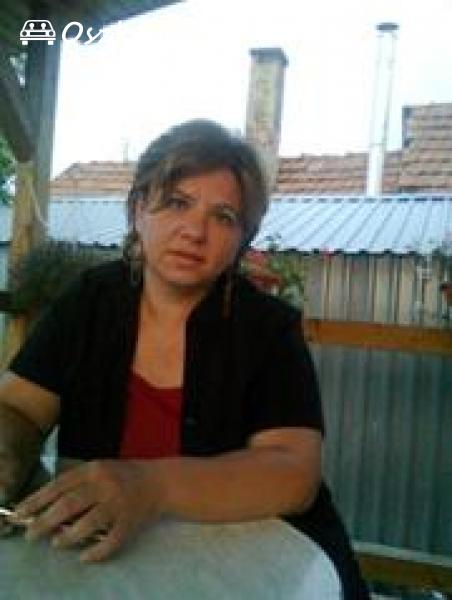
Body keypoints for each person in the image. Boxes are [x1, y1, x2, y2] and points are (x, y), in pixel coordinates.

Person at [0, 119, 368, 598]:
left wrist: (148, 486)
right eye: (177, 202)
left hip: (263, 573)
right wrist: (7, 450)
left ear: (241, 239)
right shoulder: (88, 301)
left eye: (224, 217)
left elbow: (294, 473)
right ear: (138, 211)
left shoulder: (268, 329)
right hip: (103, 571)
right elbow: (21, 408)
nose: (195, 231)